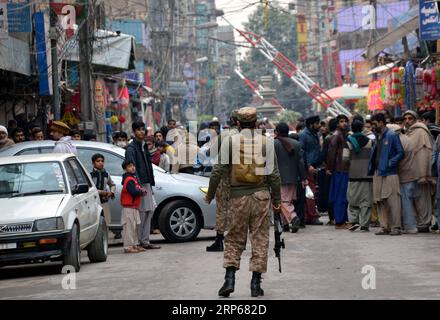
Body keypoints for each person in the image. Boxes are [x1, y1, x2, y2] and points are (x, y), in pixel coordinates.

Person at [205, 107, 281, 298]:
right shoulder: (266, 142)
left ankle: (229, 279)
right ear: (256, 123)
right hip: (261, 196)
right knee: (260, 239)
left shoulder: (229, 141)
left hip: (237, 196)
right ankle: (256, 284)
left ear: (237, 123)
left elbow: (217, 170)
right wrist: (277, 200)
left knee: (233, 238)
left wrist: (210, 194)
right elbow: (274, 175)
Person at [206, 110, 240, 252]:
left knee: (222, 210)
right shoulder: (253, 137)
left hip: (225, 178)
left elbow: (211, 153)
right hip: (244, 180)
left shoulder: (226, 135)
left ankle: (220, 241)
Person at [125, 121, 160, 250]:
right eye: (138, 130)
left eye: (143, 129)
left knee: (149, 211)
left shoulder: (144, 146)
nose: (141, 132)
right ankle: (139, 241)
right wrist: (137, 185)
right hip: (139, 184)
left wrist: (150, 183)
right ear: (134, 132)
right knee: (141, 213)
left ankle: (145, 240)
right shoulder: (131, 148)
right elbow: (130, 167)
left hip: (147, 182)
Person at [368, 113, 404, 236]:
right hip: (378, 172)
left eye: (374, 124)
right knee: (380, 201)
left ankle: (396, 227)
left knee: (393, 200)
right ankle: (385, 226)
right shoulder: (377, 136)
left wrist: (389, 163)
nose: (372, 126)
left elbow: (400, 153)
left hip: (390, 173)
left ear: (381, 122)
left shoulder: (392, 135)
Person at [399, 110, 434, 234]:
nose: (408, 121)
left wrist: (424, 174)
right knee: (412, 202)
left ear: (415, 119)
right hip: (408, 173)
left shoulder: (421, 132)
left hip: (420, 173)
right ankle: (416, 223)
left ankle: (425, 223)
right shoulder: (407, 133)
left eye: (410, 118)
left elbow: (426, 154)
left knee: (423, 201)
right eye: (406, 119)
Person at [274, 122, 307, 233]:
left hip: (278, 178)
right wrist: (303, 178)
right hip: (293, 177)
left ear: (277, 131)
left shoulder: (274, 144)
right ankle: (285, 224)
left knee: (283, 201)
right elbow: (301, 163)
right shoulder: (297, 144)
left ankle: (293, 217)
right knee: (288, 201)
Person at [346, 120, 373, 232]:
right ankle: (365, 224)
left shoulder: (347, 142)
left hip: (353, 174)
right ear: (362, 128)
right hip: (367, 175)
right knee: (366, 200)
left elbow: (344, 159)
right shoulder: (370, 142)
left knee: (352, 199)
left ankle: (353, 221)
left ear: (352, 128)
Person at [299, 115, 323, 226]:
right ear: (311, 124)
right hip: (307, 168)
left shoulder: (315, 134)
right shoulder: (303, 135)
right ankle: (312, 217)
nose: (319, 125)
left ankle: (308, 216)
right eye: (317, 123)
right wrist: (308, 165)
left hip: (315, 167)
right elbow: (301, 152)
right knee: (310, 192)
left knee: (310, 192)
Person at [327, 115, 350, 229]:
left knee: (342, 195)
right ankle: (339, 221)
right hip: (339, 169)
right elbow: (331, 154)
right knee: (340, 196)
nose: (344, 123)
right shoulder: (336, 136)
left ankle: (342, 220)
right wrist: (330, 168)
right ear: (337, 123)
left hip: (342, 169)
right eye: (341, 121)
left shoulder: (342, 134)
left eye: (346, 121)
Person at [120, 160, 147, 253]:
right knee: (129, 228)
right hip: (128, 207)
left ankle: (134, 245)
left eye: (133, 166)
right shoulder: (129, 180)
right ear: (125, 169)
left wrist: (140, 191)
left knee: (134, 227)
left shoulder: (133, 178)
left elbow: (136, 190)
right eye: (129, 166)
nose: (132, 168)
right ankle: (128, 246)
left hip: (133, 207)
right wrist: (141, 191)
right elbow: (133, 192)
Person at [318, 118, 337, 225]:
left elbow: (323, 155)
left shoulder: (328, 139)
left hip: (330, 170)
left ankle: (333, 218)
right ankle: (336, 217)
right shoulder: (343, 137)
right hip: (337, 170)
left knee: (331, 193)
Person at [90, 153, 117, 226]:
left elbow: (112, 184)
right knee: (96, 222)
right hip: (94, 202)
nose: (100, 163)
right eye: (98, 161)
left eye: (102, 161)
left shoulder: (106, 174)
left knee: (106, 221)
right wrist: (102, 192)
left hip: (104, 201)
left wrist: (111, 192)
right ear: (93, 163)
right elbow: (90, 188)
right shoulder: (90, 175)